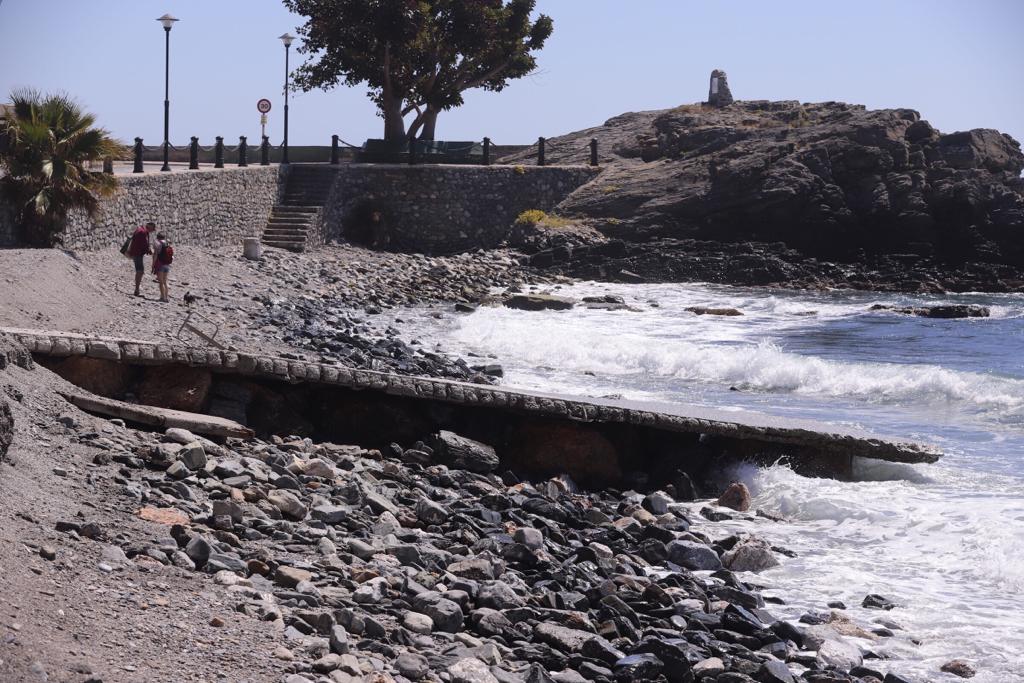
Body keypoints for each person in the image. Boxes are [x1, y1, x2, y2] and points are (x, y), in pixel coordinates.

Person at [126, 222, 156, 296]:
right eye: (153, 229)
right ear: (150, 227)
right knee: (140, 271)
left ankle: (137, 289)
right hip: (137, 254)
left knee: (140, 271)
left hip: (136, 253)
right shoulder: (143, 232)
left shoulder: (140, 230)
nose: (153, 231)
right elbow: (144, 244)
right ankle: (137, 289)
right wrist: (150, 252)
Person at [152, 232, 173, 303]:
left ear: (158, 238)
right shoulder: (167, 244)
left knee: (161, 282)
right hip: (167, 265)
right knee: (165, 281)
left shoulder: (158, 244)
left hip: (160, 264)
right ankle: (166, 297)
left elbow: (155, 255)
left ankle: (162, 297)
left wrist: (153, 265)